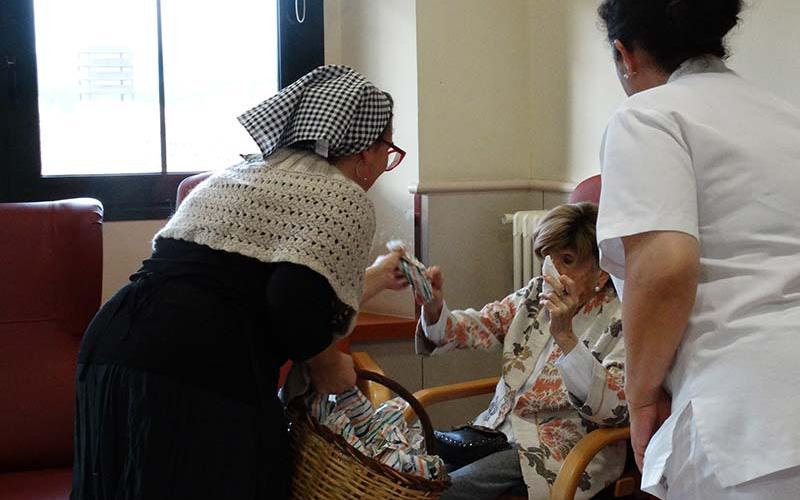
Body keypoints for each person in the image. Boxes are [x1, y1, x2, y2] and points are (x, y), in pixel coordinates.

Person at [70, 65, 408, 500]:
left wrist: (378, 276)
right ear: (366, 151)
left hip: (113, 345)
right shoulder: (342, 197)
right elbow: (290, 300)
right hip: (195, 367)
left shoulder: (245, 172)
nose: (387, 164)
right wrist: (332, 370)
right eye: (390, 151)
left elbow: (258, 280)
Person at [595, 1, 800, 498]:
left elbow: (664, 268)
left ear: (626, 55)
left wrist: (641, 398)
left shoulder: (647, 115)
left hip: (748, 428)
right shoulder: (789, 118)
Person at [415, 202, 627, 499]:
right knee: (414, 473)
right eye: (548, 259)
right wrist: (434, 306)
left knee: (449, 491)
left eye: (567, 260)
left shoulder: (621, 321)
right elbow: (481, 324)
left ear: (602, 273)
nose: (551, 271)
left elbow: (614, 410)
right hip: (495, 434)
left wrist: (565, 336)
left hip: (560, 451)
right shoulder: (533, 296)